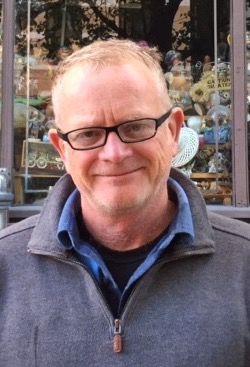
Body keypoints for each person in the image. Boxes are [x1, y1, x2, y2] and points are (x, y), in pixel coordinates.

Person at [0, 39, 250, 366]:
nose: (115, 154)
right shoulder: (5, 268)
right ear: (62, 150)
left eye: (136, 127)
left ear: (173, 132)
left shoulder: (244, 267)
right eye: (88, 134)